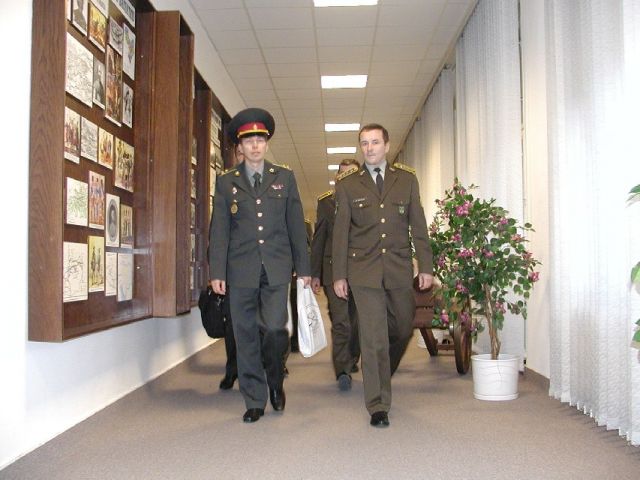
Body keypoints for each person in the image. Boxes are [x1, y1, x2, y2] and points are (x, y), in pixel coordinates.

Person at [209, 108, 311, 423]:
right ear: (240, 146)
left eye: (260, 140)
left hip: (277, 267)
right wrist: (217, 272)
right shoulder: (226, 182)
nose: (255, 146)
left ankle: (275, 380)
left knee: (275, 329)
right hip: (240, 269)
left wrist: (304, 268)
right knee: (245, 334)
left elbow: (296, 226)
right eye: (249, 141)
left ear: (267, 143)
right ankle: (255, 398)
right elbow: (219, 230)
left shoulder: (284, 177)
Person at [332, 123, 433, 428]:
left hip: (398, 269)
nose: (369, 148)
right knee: (373, 336)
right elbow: (340, 233)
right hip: (363, 271)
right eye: (364, 143)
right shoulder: (348, 184)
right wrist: (339, 275)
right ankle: (378, 405)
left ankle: (381, 369)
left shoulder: (407, 179)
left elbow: (418, 225)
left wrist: (426, 266)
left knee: (402, 327)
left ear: (387, 146)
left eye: (375, 142)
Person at [311, 158, 361, 391]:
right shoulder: (326, 203)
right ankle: (342, 370)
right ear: (337, 177)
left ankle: (351, 356)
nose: (347, 177)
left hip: (360, 270)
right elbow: (319, 238)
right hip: (333, 269)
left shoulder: (367, 201)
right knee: (341, 321)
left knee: (357, 321)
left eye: (352, 173)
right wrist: (315, 274)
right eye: (343, 174)